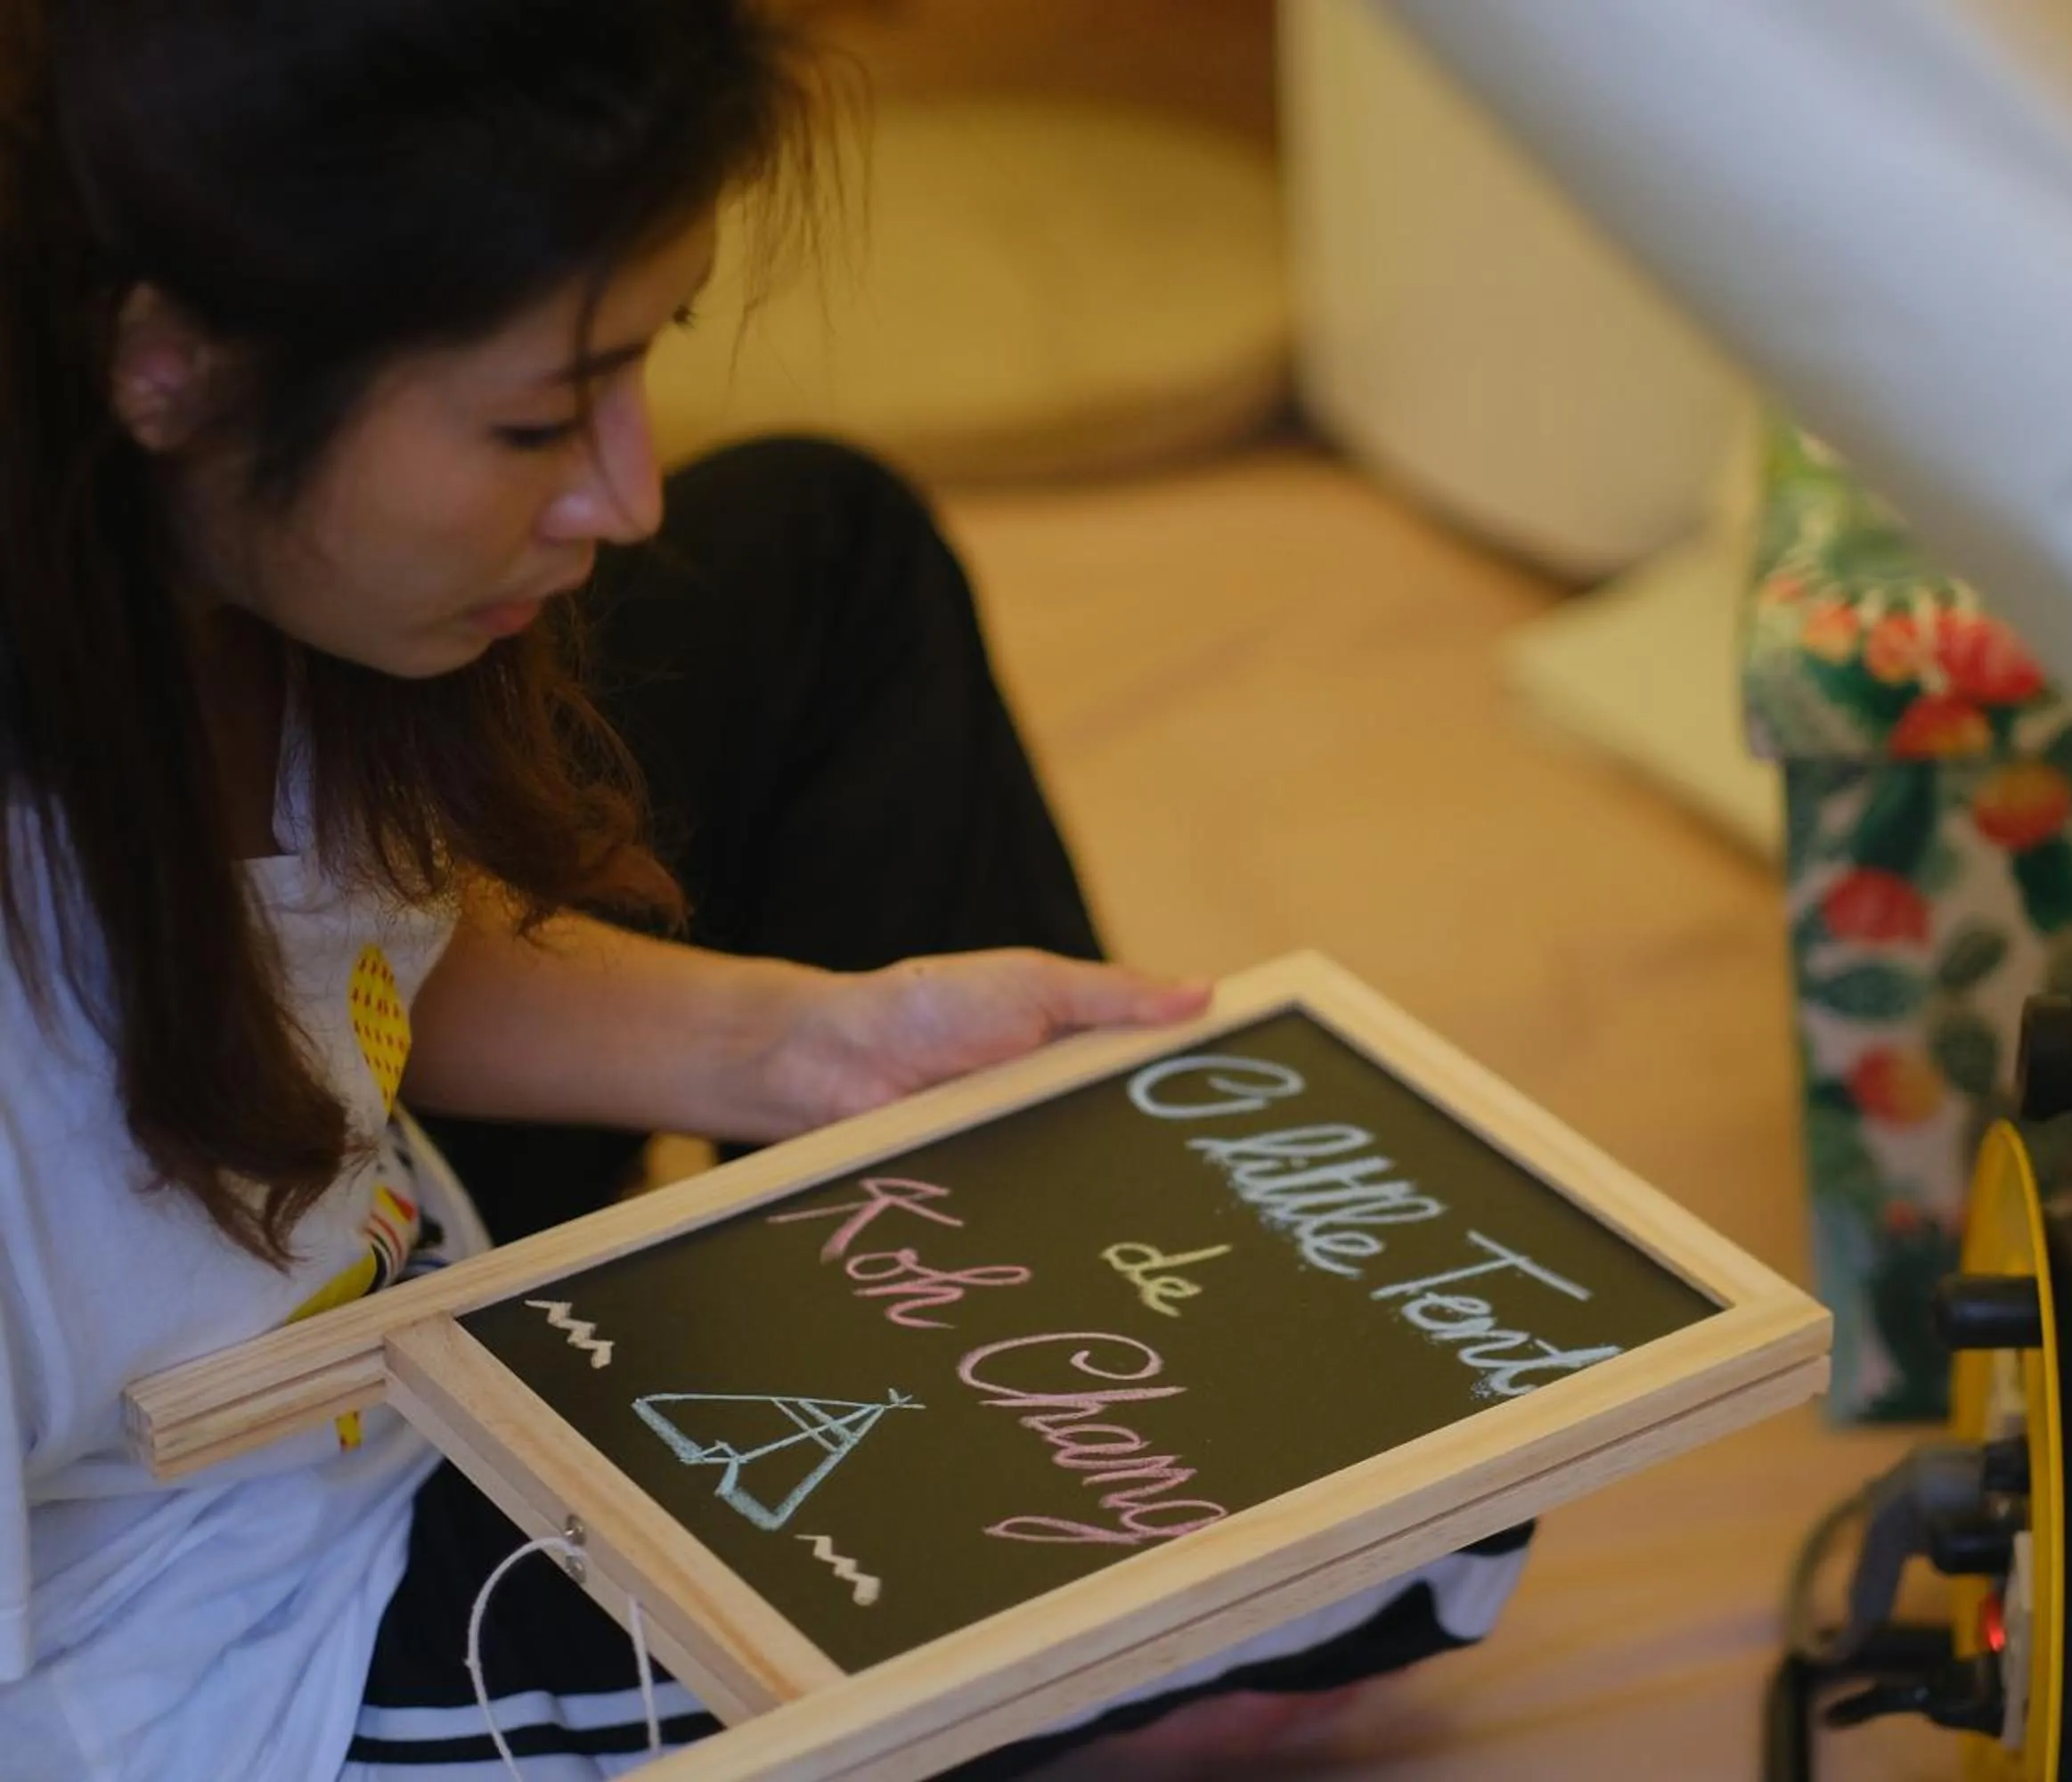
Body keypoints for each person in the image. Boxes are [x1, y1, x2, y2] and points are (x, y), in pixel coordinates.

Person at [0, 2, 1531, 1777]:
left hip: (357, 1269)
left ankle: (973, 1363)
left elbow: (336, 957)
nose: (627, 494)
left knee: (821, 547)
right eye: (534, 426)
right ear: (168, 369)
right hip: (248, 1646)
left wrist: (820, 1048)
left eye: (648, 360)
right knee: (1419, 1508)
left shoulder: (202, 575)